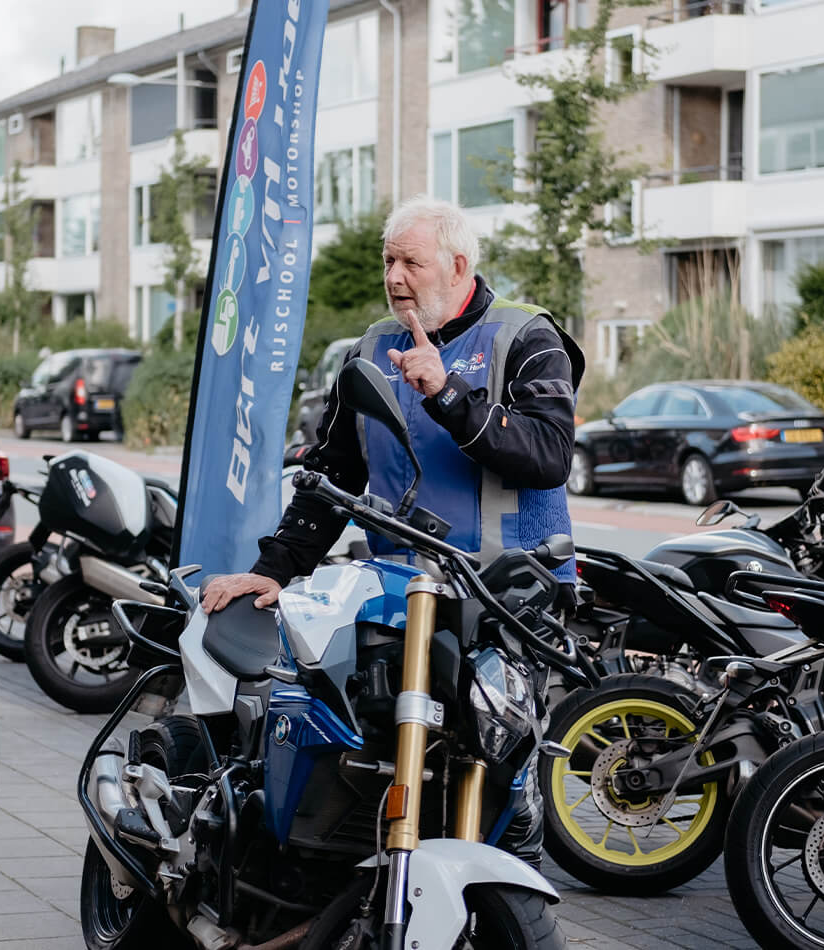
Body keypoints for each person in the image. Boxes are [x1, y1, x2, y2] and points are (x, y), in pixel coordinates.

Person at [201, 195, 584, 865]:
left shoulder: (526, 337)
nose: (395, 277)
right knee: (378, 755)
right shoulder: (373, 347)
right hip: (401, 597)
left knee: (503, 780)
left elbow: (549, 456)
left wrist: (450, 398)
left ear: (459, 265)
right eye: (388, 261)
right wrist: (274, 569)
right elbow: (334, 475)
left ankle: (509, 908)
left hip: (507, 602)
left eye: (412, 262)